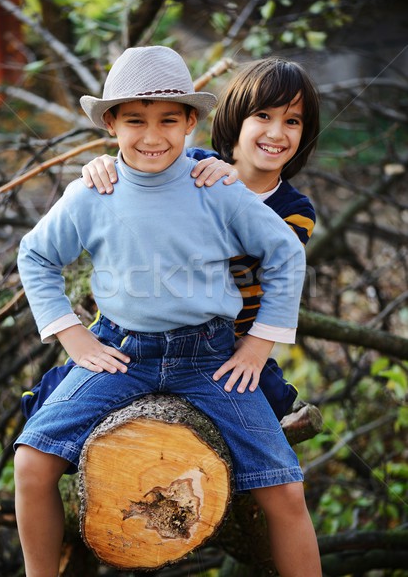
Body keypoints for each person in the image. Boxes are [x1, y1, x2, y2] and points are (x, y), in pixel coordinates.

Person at [14, 46, 321, 577]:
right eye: (135, 120)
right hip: (121, 351)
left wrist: (259, 343)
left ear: (191, 123)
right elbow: (36, 255)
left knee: (285, 488)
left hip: (209, 356)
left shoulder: (216, 185)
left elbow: (285, 254)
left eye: (168, 121)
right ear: (110, 122)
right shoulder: (94, 190)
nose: (152, 136)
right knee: (32, 460)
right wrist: (72, 336)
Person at [78, 56, 320, 419]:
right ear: (236, 120)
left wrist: (228, 190)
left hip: (229, 341)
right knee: (65, 384)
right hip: (148, 326)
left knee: (270, 395)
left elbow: (252, 256)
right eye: (263, 116)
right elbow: (140, 187)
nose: (276, 132)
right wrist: (105, 166)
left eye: (292, 121)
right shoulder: (190, 165)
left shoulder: (295, 209)